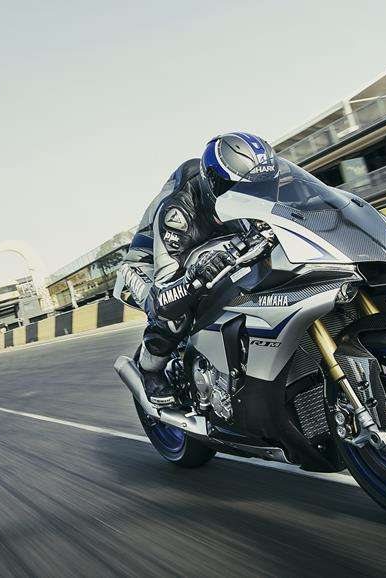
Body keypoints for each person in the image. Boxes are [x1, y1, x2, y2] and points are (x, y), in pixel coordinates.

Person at [119, 132, 280, 406]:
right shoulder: (178, 214)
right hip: (151, 263)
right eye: (241, 189)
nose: (254, 197)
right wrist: (196, 278)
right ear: (213, 183)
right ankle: (150, 369)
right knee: (174, 312)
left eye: (263, 188)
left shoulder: (242, 196)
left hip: (211, 246)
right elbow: (165, 295)